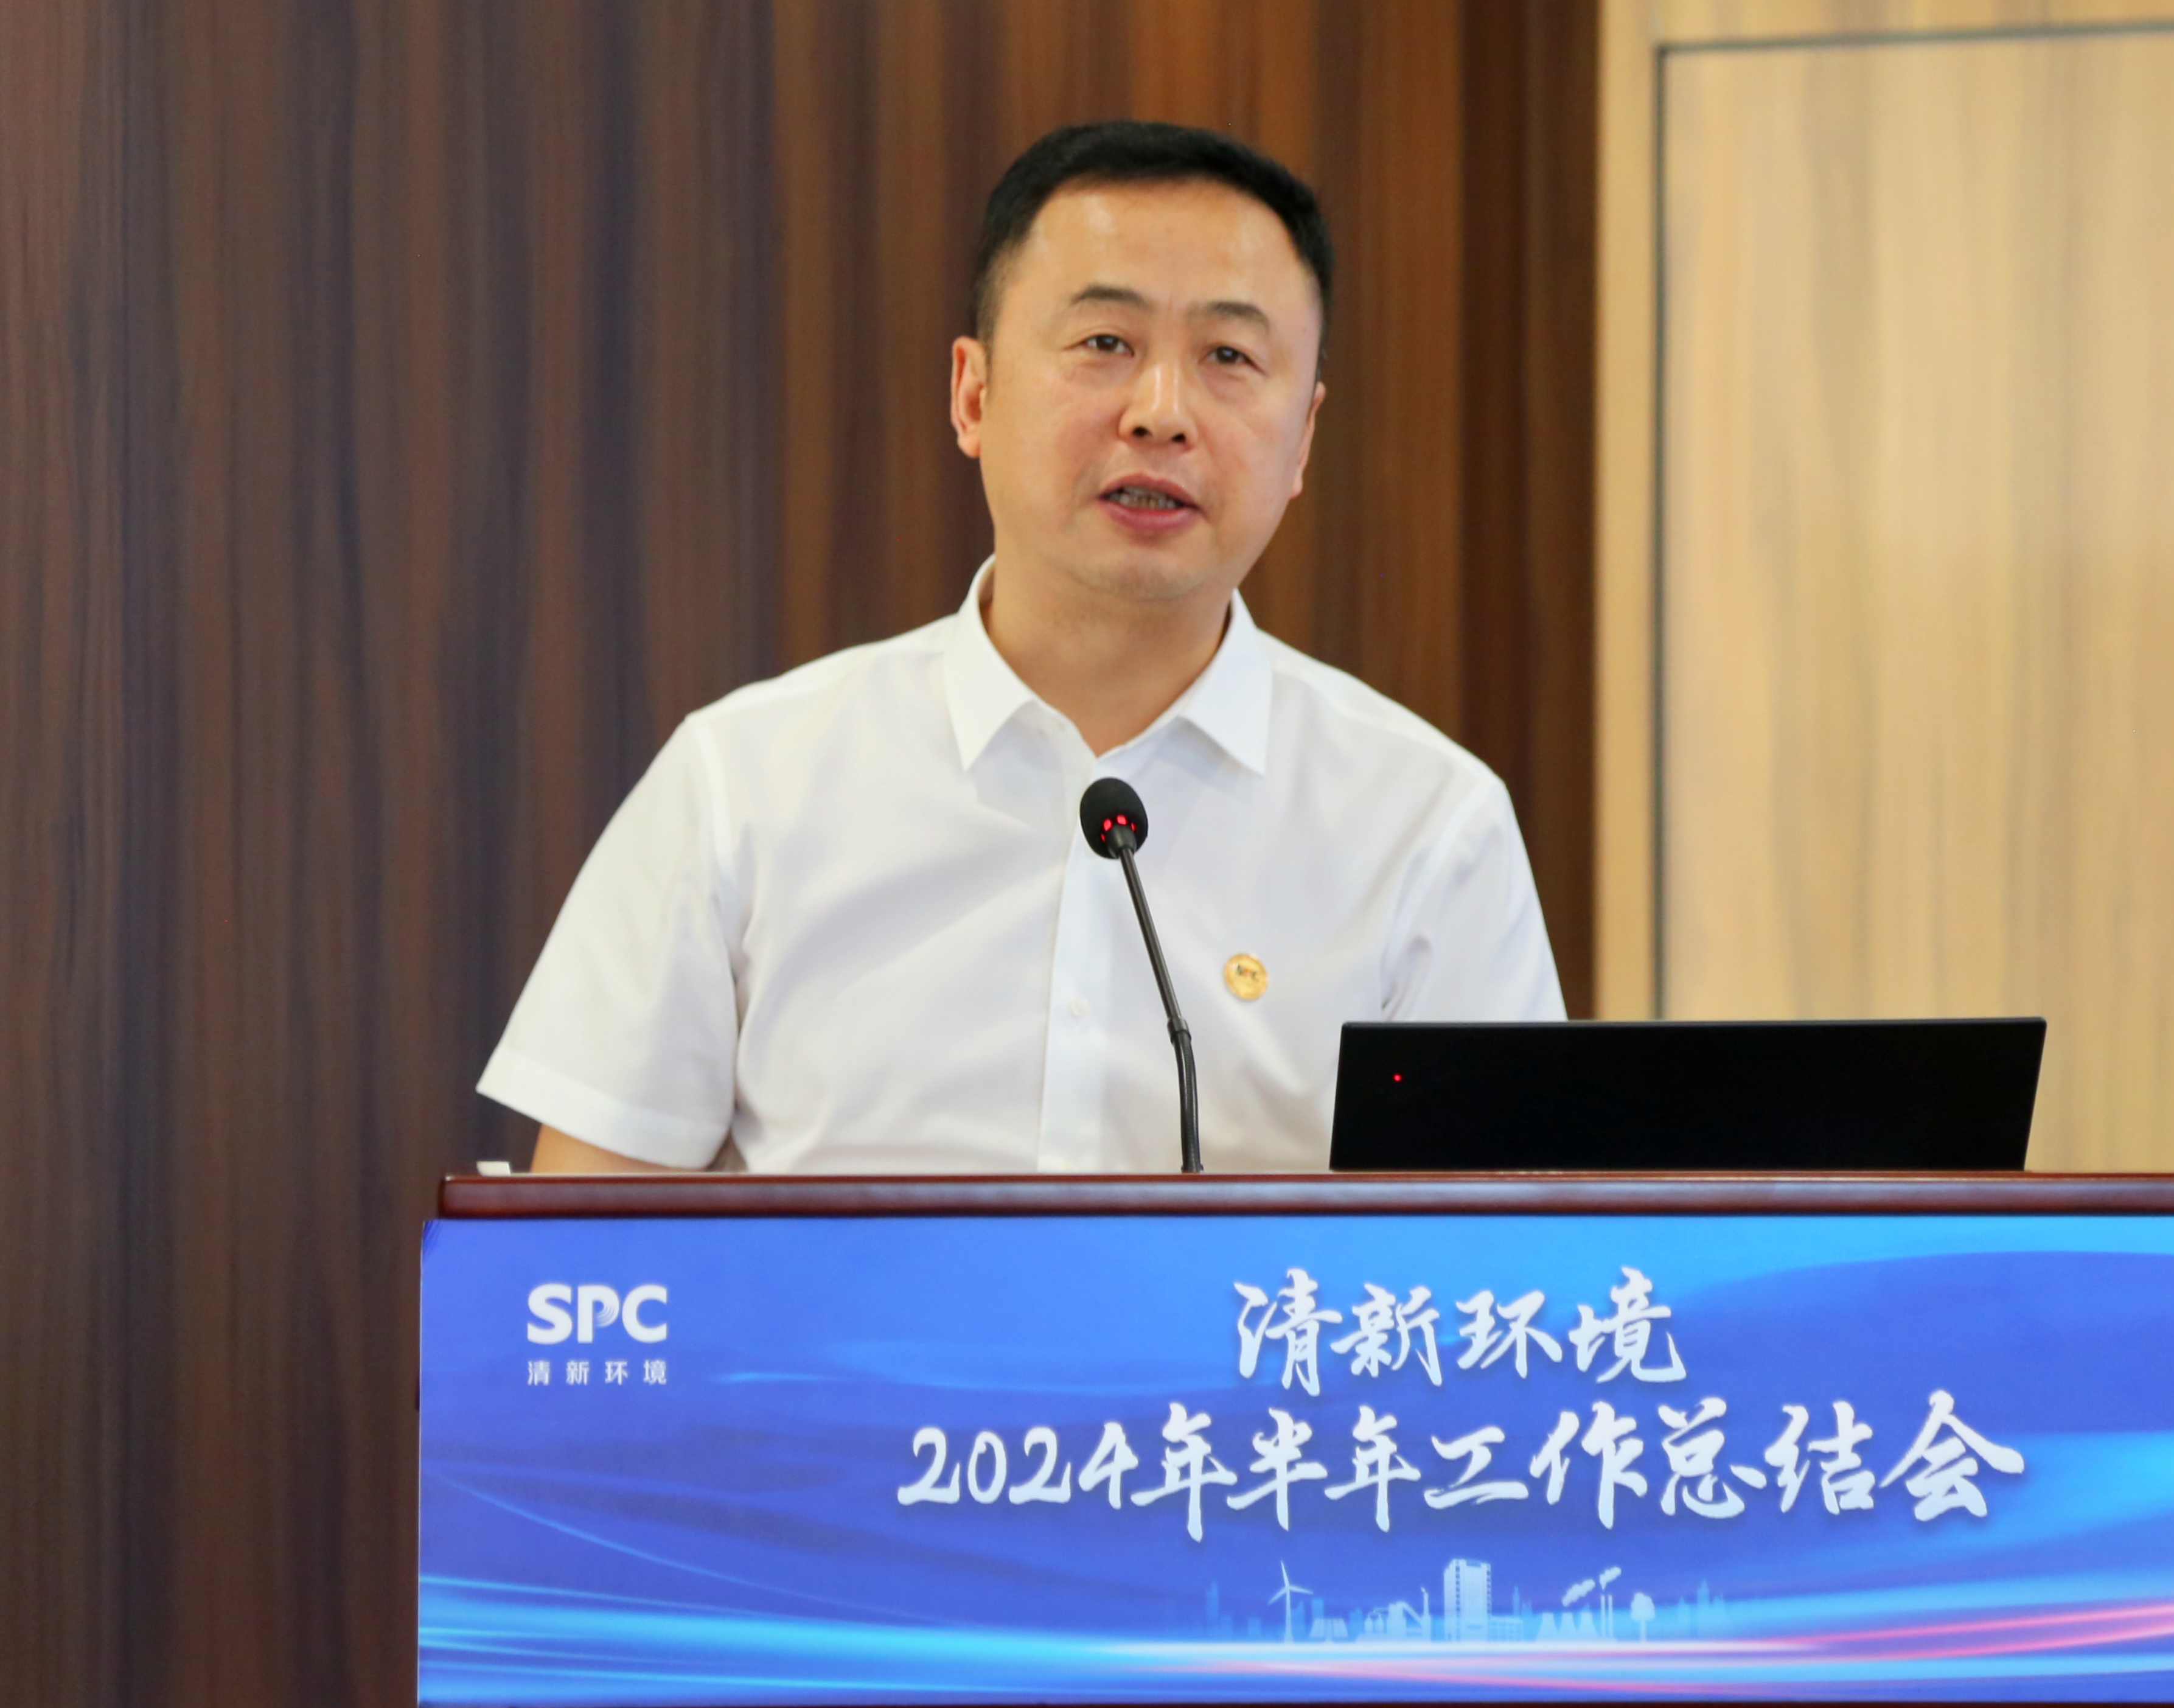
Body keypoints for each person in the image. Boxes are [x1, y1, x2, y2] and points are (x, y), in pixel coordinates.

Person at [480, 120, 1563, 1175]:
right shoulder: (744, 788)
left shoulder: (1428, 830)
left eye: (1230, 356)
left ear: (1304, 440)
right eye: (1105, 343)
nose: (1162, 412)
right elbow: (581, 1259)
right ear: (974, 394)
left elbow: (1508, 1267)